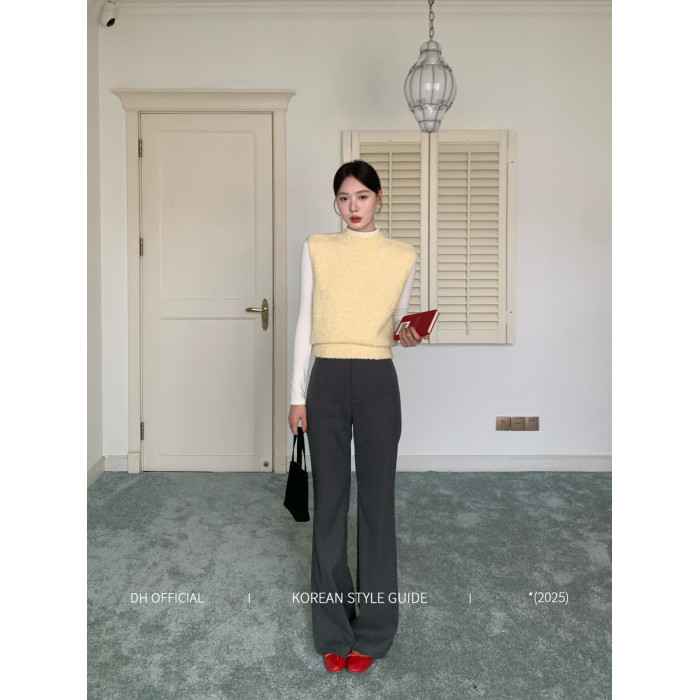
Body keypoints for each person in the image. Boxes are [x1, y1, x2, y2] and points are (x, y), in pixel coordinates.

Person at [288, 160, 424, 674]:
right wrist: (297, 395)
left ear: (378, 198)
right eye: (344, 198)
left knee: (377, 503)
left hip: (377, 381)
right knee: (329, 503)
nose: (353, 207)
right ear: (336, 202)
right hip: (325, 379)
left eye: (362, 197)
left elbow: (396, 325)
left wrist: (409, 335)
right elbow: (306, 322)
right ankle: (332, 629)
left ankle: (375, 629)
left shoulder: (402, 255)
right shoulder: (316, 248)